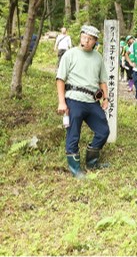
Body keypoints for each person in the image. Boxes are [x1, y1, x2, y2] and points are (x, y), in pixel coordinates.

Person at [56, 25, 110, 178]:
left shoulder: (98, 57)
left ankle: (91, 162)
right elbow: (60, 79)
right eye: (84, 36)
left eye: (90, 38)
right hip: (74, 99)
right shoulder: (70, 54)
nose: (86, 40)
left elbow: (102, 81)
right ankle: (75, 169)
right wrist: (62, 102)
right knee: (73, 134)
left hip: (92, 101)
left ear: (95, 41)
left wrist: (106, 98)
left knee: (103, 131)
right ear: (80, 36)